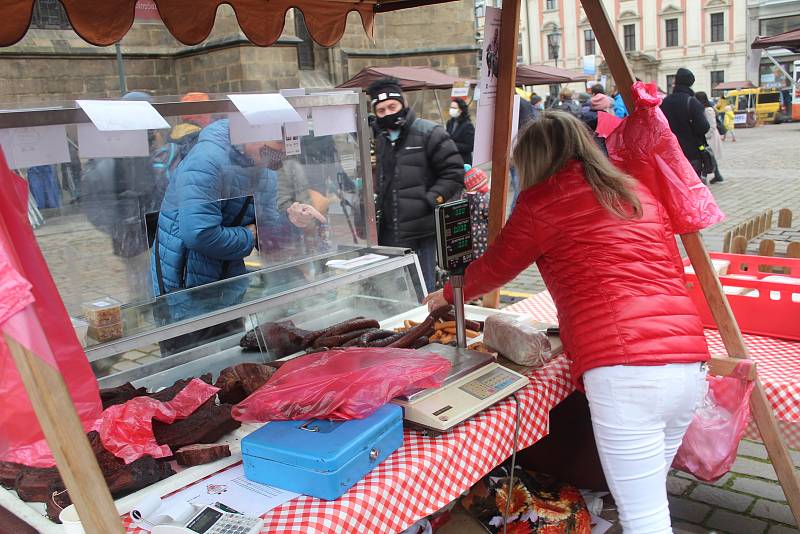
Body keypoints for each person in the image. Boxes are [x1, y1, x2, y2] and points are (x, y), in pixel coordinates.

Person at [424, 111, 709, 534]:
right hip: (688, 363)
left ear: (535, 160)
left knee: (644, 518)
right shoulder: (636, 192)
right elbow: (668, 269)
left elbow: (493, 269)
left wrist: (445, 296)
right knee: (650, 500)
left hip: (626, 370)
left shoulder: (543, 201)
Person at [150, 118, 320, 353]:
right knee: (191, 365)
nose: (282, 151)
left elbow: (266, 235)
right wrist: (249, 236)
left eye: (288, 143)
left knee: (231, 358)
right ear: (252, 132)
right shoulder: (206, 160)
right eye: (278, 142)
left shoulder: (264, 169)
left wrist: (293, 223)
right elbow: (199, 234)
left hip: (228, 283)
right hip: (184, 287)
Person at [366, 76, 464, 292]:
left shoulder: (430, 132)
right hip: (389, 231)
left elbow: (454, 173)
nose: (388, 114)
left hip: (420, 231)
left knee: (422, 290)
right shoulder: (381, 139)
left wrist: (429, 200)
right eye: (381, 110)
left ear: (403, 104)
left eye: (392, 106)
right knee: (394, 291)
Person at [82, 91, 167, 303]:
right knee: (148, 288)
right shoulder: (134, 149)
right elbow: (148, 190)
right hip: (142, 233)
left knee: (140, 283)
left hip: (133, 233)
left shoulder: (118, 145)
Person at [660, 68, 710, 179]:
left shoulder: (664, 102)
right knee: (692, 186)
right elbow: (703, 127)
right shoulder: (692, 102)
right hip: (691, 153)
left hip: (671, 153)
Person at [695, 91, 724, 184]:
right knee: (709, 156)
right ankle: (717, 175)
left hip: (711, 137)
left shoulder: (708, 110)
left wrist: (706, 136)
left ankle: (706, 177)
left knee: (708, 156)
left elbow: (712, 126)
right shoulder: (702, 109)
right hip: (707, 136)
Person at [446, 99, 475, 165]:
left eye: (454, 108)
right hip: (451, 160)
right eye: (451, 107)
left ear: (461, 110)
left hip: (463, 161)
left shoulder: (468, 125)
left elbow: (470, 146)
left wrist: (452, 145)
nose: (451, 109)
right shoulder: (450, 122)